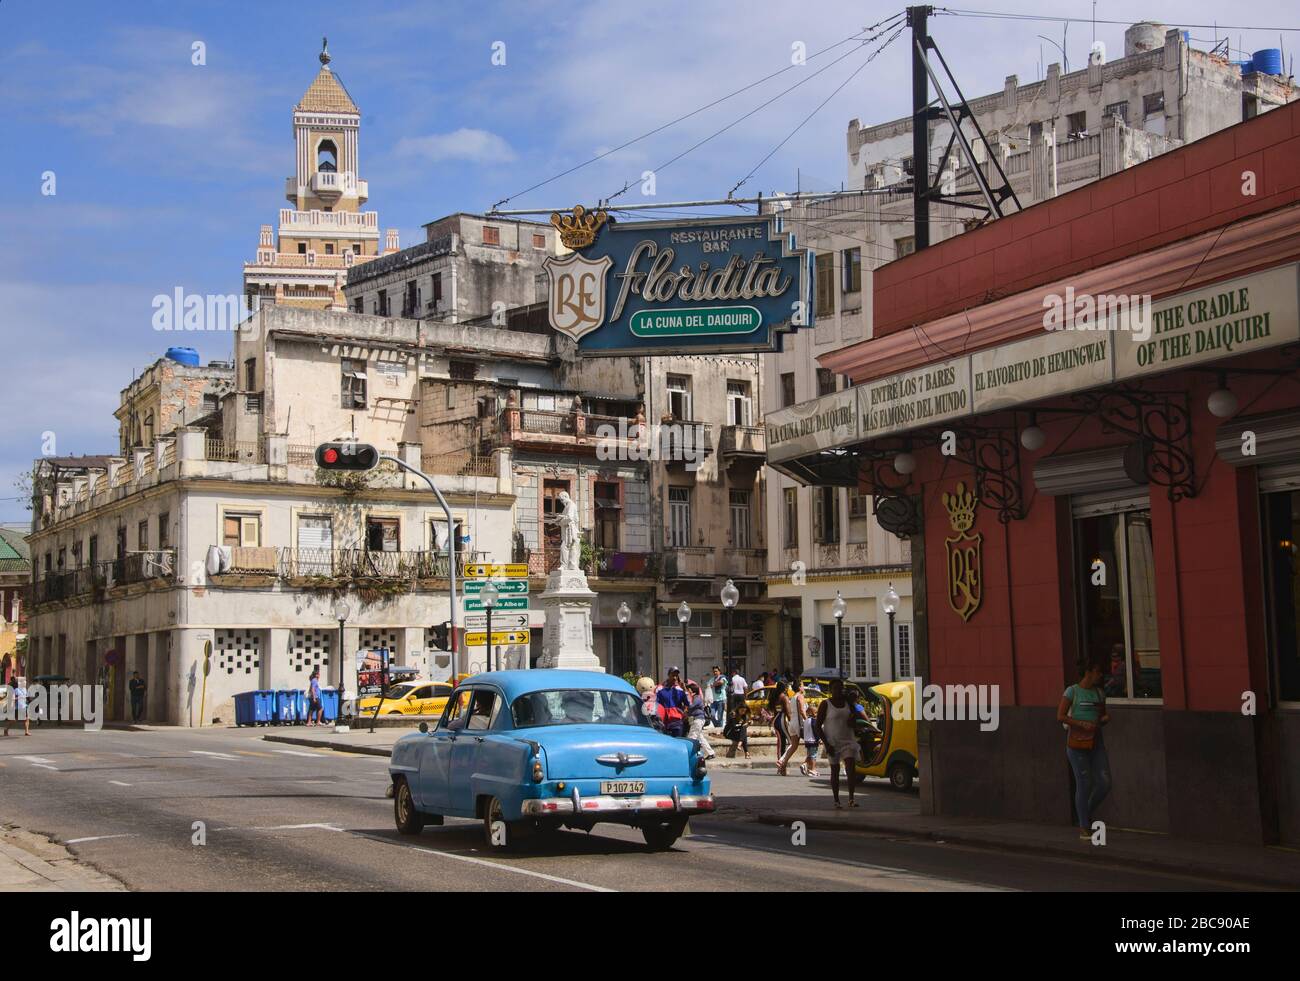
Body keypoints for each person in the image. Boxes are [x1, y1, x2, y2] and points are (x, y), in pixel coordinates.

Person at [1059, 659, 1113, 841]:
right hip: (1076, 744)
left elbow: (1102, 715)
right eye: (1098, 672)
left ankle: (1084, 811)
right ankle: (1084, 827)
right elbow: (1060, 716)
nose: (1100, 675)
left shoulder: (1099, 693)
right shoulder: (1072, 691)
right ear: (1088, 672)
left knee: (1105, 782)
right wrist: (1079, 723)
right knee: (1084, 782)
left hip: (1096, 742)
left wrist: (1105, 719)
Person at [817, 679, 860, 808]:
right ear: (831, 690)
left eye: (840, 688)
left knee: (851, 768)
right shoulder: (825, 704)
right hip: (832, 742)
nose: (838, 691)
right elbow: (818, 726)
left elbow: (854, 722)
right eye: (835, 688)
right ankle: (836, 800)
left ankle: (851, 799)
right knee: (835, 771)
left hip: (847, 740)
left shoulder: (848, 704)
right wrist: (826, 743)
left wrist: (853, 721)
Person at [776, 679, 808, 776]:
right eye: (802, 685)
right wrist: (808, 721)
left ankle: (782, 762)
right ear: (799, 687)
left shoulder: (793, 697)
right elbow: (802, 711)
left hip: (792, 723)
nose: (803, 687)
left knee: (793, 745)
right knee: (812, 744)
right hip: (799, 724)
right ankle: (807, 764)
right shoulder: (800, 696)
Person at [685, 682, 717, 760]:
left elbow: (691, 706)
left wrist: (685, 704)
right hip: (697, 720)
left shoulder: (697, 698)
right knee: (700, 738)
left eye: (688, 690)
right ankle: (711, 753)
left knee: (692, 737)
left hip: (697, 720)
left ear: (693, 691)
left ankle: (690, 755)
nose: (687, 692)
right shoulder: (694, 698)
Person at [655, 668, 688, 738]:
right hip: (664, 723)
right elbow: (656, 705)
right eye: (673, 675)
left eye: (676, 676)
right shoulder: (660, 689)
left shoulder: (680, 690)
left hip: (677, 722)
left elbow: (688, 703)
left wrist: (685, 689)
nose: (675, 678)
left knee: (678, 742)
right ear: (668, 675)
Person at [767, 681, 788, 762]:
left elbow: (776, 711)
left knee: (781, 743)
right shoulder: (784, 697)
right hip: (782, 721)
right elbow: (788, 712)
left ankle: (781, 760)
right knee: (791, 744)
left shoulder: (776, 698)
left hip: (777, 721)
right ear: (784, 688)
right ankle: (781, 762)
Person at [799, 706, 821, 777]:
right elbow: (816, 731)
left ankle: (806, 766)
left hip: (807, 741)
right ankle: (813, 769)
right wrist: (818, 739)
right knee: (813, 756)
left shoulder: (806, 721)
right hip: (813, 741)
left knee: (809, 755)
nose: (817, 714)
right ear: (811, 712)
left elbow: (802, 732)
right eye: (816, 712)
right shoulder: (814, 721)